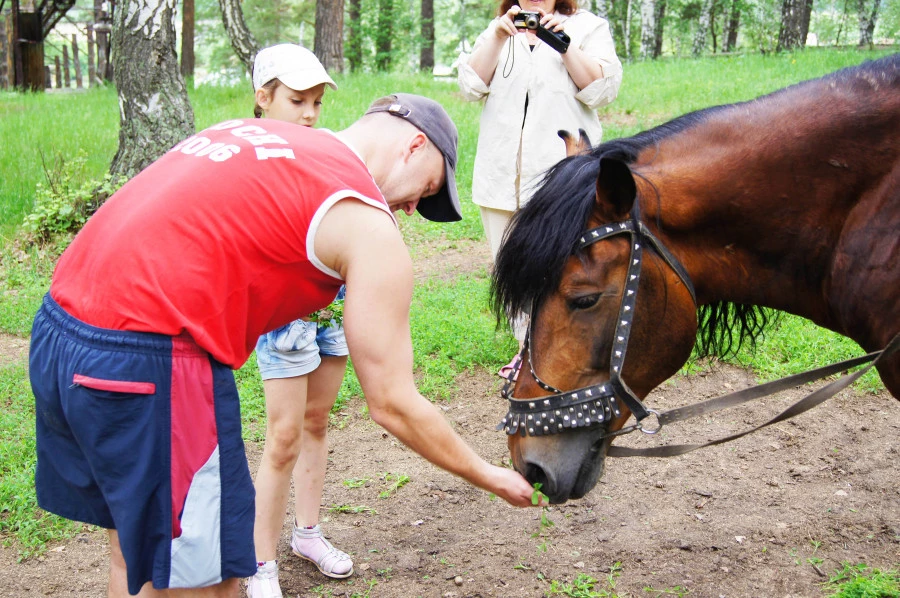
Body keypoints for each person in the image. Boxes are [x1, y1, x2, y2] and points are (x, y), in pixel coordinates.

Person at [29, 92, 542, 598]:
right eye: (427, 190)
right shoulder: (365, 223)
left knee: (136, 557)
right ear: (414, 145)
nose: (411, 209)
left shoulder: (260, 134)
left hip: (59, 331)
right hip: (149, 362)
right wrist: (488, 474)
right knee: (207, 585)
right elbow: (392, 403)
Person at [456, 0, 622, 376]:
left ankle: (569, 349)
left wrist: (563, 44)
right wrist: (498, 35)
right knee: (510, 265)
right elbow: (470, 86)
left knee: (562, 268)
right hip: (501, 175)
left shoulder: (587, 27)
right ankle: (526, 351)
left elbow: (602, 90)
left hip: (560, 177)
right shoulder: (500, 29)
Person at [246, 44, 355, 596]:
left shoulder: (325, 148)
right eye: (297, 100)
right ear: (263, 98)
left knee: (317, 423)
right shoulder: (250, 154)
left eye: (316, 101)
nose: (310, 113)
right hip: (285, 315)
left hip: (328, 309)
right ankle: (261, 563)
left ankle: (307, 533)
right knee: (283, 437)